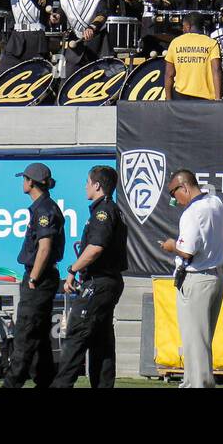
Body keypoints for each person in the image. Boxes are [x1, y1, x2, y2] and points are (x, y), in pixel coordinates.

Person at [52, 165, 129, 388]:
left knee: (76, 335)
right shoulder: (111, 210)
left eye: (87, 182)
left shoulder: (103, 212)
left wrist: (72, 270)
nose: (85, 186)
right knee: (101, 342)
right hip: (108, 282)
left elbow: (95, 247)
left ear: (97, 185)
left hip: (99, 283)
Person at [160, 169, 223, 389]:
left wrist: (171, 246)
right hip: (215, 276)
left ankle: (198, 384)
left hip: (197, 278)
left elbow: (187, 251)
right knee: (200, 341)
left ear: (184, 187)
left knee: (195, 342)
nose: (173, 199)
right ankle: (191, 383)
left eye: (173, 193)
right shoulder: (215, 203)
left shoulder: (191, 212)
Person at [4, 162, 65, 388]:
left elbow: (45, 246)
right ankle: (46, 382)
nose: (23, 182)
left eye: (25, 179)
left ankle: (11, 383)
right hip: (42, 278)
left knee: (26, 334)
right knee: (38, 337)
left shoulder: (43, 210)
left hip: (38, 279)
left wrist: (33, 278)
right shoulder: (44, 207)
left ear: (31, 182)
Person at [163, 12, 223, 100]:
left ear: (188, 26)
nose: (182, 30)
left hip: (181, 97)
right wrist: (218, 98)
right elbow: (216, 70)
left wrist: (168, 100)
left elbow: (169, 74)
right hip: (205, 100)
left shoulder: (175, 43)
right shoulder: (211, 43)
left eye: (183, 27)